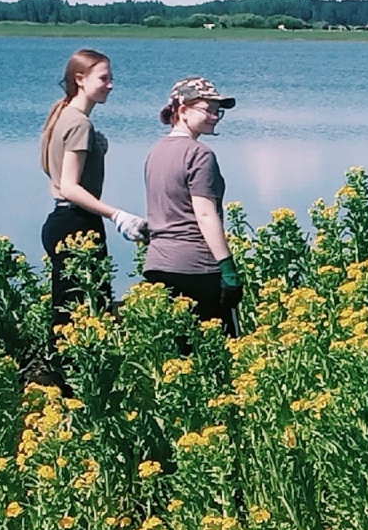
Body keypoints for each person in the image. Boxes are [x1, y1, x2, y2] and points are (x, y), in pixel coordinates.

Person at [40, 48, 147, 330]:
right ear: (80, 79)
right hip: (77, 224)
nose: (110, 85)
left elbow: (51, 168)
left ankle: (61, 370)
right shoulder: (79, 124)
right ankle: (72, 372)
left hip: (60, 222)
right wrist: (117, 215)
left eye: (111, 78)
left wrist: (96, 151)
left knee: (69, 309)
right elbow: (69, 186)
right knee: (87, 312)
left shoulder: (61, 114)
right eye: (103, 78)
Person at [142, 77, 242, 336]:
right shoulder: (199, 154)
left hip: (158, 264)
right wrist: (228, 268)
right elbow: (205, 214)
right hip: (197, 267)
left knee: (176, 350)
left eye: (217, 110)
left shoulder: (156, 152)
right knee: (215, 350)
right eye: (207, 109)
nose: (215, 116)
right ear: (182, 110)